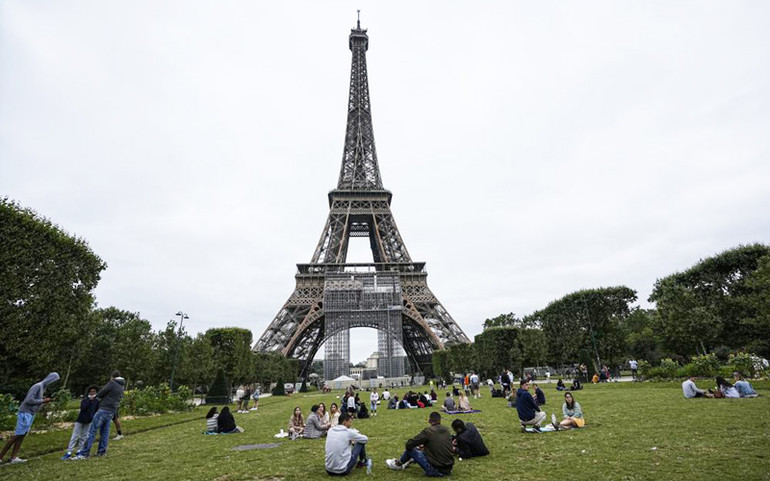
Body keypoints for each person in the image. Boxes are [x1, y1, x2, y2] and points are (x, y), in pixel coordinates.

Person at [0, 372, 59, 464]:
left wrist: (44, 401)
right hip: (25, 412)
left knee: (22, 435)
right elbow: (29, 400)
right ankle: (1, 456)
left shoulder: (43, 388)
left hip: (31, 413)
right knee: (17, 435)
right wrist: (43, 400)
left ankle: (13, 457)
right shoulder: (37, 386)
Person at [75, 371, 125, 459]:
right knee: (105, 432)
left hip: (104, 409)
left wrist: (94, 397)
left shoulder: (112, 383)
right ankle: (101, 452)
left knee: (92, 431)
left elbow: (102, 392)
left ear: (112, 377)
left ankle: (84, 453)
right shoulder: (121, 385)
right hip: (111, 410)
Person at [385, 411, 454, 476]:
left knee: (412, 449)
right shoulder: (446, 430)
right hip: (448, 469)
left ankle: (398, 464)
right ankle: (409, 461)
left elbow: (409, 444)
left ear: (429, 420)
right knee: (421, 450)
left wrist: (420, 445)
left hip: (435, 470)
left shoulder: (429, 431)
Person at [62, 385, 100, 459]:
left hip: (89, 421)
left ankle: (79, 450)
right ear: (88, 392)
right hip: (80, 420)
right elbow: (83, 408)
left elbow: (96, 410)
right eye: (91, 392)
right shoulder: (85, 400)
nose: (92, 393)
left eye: (94, 392)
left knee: (84, 436)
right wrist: (89, 400)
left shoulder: (96, 401)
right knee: (75, 436)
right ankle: (69, 451)